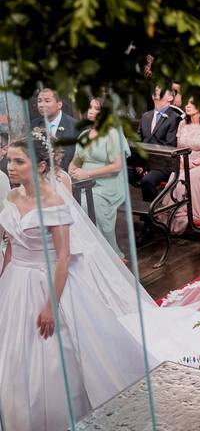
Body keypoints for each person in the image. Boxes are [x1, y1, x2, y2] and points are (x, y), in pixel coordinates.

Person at [0, 135, 154, 431]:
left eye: (19, 161)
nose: (11, 167)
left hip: (48, 281)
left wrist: (51, 305)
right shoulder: (12, 197)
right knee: (13, 351)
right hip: (15, 280)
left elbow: (63, 257)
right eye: (10, 161)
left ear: (40, 166)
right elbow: (11, 247)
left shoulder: (53, 201)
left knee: (54, 355)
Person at [69, 98, 130, 261]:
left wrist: (88, 174)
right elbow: (76, 161)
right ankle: (86, 250)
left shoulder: (112, 133)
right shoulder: (84, 135)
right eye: (90, 107)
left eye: (97, 109)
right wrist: (71, 170)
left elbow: (116, 167)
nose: (92, 111)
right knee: (69, 203)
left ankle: (111, 254)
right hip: (84, 183)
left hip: (109, 184)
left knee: (87, 203)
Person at [167, 93, 200, 234]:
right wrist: (182, 162)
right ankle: (174, 217)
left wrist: (194, 163)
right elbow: (178, 149)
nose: (187, 106)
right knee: (174, 180)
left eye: (192, 103)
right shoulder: (182, 124)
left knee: (188, 180)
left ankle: (193, 218)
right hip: (183, 163)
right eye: (187, 103)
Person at [132, 84, 182, 203]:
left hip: (163, 164)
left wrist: (148, 166)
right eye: (156, 89)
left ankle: (155, 211)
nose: (157, 91)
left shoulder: (175, 118)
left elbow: (169, 147)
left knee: (147, 181)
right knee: (119, 173)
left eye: (161, 90)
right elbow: (138, 142)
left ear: (170, 98)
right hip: (142, 163)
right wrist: (139, 163)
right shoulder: (146, 116)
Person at [31, 87, 79, 171]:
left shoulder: (75, 126)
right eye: (39, 101)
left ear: (59, 104)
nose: (41, 105)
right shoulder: (33, 125)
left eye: (47, 101)